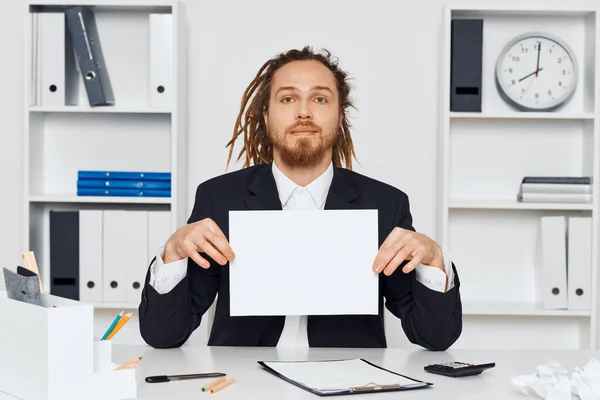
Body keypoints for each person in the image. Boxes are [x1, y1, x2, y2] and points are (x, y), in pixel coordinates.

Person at [138, 46, 462, 351]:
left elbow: (435, 337)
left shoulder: (386, 204)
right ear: (266, 117)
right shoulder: (218, 198)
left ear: (339, 117)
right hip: (247, 384)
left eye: (320, 99)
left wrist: (433, 259)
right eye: (288, 99)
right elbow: (164, 336)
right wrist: (174, 253)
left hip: (347, 382)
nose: (304, 112)